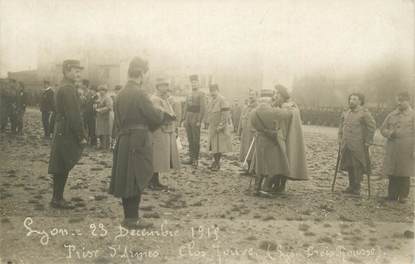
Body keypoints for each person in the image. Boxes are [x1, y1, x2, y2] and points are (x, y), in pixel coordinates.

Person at [110, 56, 170, 229]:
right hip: (138, 139)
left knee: (125, 177)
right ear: (142, 74)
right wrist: (162, 115)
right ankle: (133, 218)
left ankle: (128, 216)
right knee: (136, 176)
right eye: (146, 74)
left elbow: (118, 120)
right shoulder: (140, 93)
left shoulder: (120, 93)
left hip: (123, 139)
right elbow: (153, 116)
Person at [48, 60, 87, 209]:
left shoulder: (62, 86)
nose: (78, 74)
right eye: (75, 71)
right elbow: (74, 114)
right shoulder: (69, 88)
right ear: (66, 70)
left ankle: (56, 197)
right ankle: (57, 199)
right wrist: (81, 135)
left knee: (60, 162)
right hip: (67, 129)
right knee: (63, 163)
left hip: (61, 127)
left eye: (79, 71)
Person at [265, 84, 308, 194]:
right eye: (275, 94)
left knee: (284, 160)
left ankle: (281, 185)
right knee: (276, 161)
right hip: (277, 137)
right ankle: (274, 184)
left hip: (286, 138)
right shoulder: (277, 105)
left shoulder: (290, 107)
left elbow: (285, 120)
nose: (275, 96)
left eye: (278, 94)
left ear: (283, 95)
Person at [338, 93, 376, 195]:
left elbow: (372, 126)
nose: (351, 101)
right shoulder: (346, 112)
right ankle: (351, 186)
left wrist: (368, 140)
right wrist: (340, 138)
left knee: (357, 166)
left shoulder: (364, 113)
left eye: (354, 99)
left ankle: (357, 187)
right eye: (350, 99)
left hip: (358, 144)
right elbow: (341, 126)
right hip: (346, 144)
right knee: (349, 165)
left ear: (360, 101)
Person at [380, 91, 414, 203]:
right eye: (398, 100)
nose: (399, 103)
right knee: (392, 171)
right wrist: (389, 133)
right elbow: (382, 129)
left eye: (402, 100)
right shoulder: (392, 114)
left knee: (404, 172)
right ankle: (392, 194)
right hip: (393, 147)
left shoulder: (413, 115)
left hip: (407, 148)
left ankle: (403, 196)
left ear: (408, 101)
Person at [149, 78, 180, 190]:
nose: (167, 88)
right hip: (159, 130)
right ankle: (152, 181)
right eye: (164, 85)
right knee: (157, 156)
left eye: (167, 85)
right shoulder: (155, 99)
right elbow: (158, 114)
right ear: (158, 87)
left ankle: (156, 180)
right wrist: (169, 116)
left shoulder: (164, 98)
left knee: (161, 157)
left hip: (165, 130)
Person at [206, 84, 232, 171]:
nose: (212, 93)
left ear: (218, 90)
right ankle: (215, 162)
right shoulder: (212, 100)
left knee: (219, 146)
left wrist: (221, 125)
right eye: (211, 91)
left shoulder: (222, 99)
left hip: (219, 127)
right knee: (213, 145)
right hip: (213, 126)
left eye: (214, 91)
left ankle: (217, 163)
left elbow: (225, 114)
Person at [183, 75, 206, 168]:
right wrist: (184, 119)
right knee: (190, 139)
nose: (194, 84)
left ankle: (195, 159)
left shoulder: (201, 94)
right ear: (191, 84)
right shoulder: (188, 94)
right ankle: (191, 157)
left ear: (198, 83)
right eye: (192, 82)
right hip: (188, 117)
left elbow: (203, 108)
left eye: (196, 82)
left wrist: (199, 120)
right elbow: (185, 106)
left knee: (196, 139)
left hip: (196, 117)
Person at [238, 90, 257, 175]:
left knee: (252, 150)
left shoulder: (257, 108)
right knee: (245, 149)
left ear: (257, 96)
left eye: (253, 95)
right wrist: (239, 132)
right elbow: (241, 120)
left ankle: (252, 169)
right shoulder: (246, 107)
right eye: (250, 95)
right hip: (245, 132)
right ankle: (248, 168)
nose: (251, 96)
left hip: (252, 132)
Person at [95, 85, 113, 150]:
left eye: (103, 90)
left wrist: (100, 110)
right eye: (100, 90)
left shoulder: (108, 98)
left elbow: (109, 107)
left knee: (105, 132)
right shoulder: (99, 97)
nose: (101, 92)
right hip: (100, 117)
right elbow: (97, 104)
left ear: (105, 91)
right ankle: (102, 145)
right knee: (100, 132)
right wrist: (96, 107)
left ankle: (106, 146)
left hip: (106, 117)